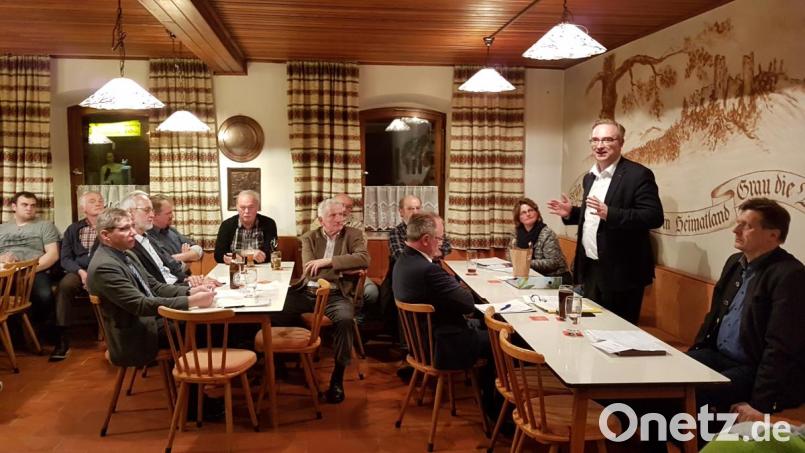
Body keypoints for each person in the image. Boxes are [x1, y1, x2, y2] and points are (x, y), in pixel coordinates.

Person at [688, 198, 804, 417]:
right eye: (738, 223)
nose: (735, 230)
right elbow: (713, 316)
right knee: (665, 379)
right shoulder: (735, 261)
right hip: (716, 354)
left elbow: (780, 347)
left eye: (747, 226)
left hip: (753, 368)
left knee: (690, 394)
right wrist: (694, 353)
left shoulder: (790, 275)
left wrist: (761, 404)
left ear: (773, 235)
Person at [547, 119, 663, 323]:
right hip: (592, 270)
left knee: (618, 336)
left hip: (622, 274)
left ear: (621, 143)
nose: (600, 145)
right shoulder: (589, 177)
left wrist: (612, 214)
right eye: (595, 140)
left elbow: (654, 217)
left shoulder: (638, 175)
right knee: (591, 329)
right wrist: (571, 213)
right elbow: (594, 215)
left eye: (608, 139)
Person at [392, 213, 495, 415]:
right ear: (426, 240)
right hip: (440, 345)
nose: (442, 243)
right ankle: (493, 407)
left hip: (420, 343)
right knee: (499, 341)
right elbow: (466, 304)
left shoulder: (403, 261)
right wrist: (459, 287)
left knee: (484, 325)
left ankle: (487, 395)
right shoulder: (428, 270)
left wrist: (454, 287)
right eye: (440, 238)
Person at [87, 208, 214, 370]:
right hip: (136, 335)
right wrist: (190, 301)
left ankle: (208, 382)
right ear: (105, 235)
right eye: (125, 228)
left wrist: (190, 291)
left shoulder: (126, 254)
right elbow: (140, 304)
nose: (133, 232)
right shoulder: (104, 266)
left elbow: (155, 287)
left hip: (150, 322)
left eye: (132, 226)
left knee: (210, 322)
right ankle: (196, 390)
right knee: (207, 326)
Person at [277, 198, 370, 404]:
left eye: (342, 215)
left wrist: (327, 261)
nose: (339, 219)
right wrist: (346, 268)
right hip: (307, 292)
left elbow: (364, 259)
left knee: (345, 321)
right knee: (276, 310)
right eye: (333, 215)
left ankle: (337, 379)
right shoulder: (309, 237)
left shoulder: (353, 235)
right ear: (321, 219)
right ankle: (278, 364)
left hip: (336, 294)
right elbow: (310, 270)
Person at [51, 191, 104, 361]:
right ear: (83, 208)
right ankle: (62, 339)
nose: (98, 203)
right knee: (64, 286)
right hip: (78, 271)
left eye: (100, 200)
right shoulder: (73, 229)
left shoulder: (110, 227)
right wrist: (81, 272)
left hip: (102, 270)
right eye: (92, 201)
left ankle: (115, 336)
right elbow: (65, 258)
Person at [0, 192, 60, 325]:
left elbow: (53, 254)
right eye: (25, 205)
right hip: (5, 271)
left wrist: (29, 270)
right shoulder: (2, 228)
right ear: (14, 207)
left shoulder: (45, 225)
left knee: (44, 296)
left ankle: (39, 331)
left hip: (35, 270)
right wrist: (2, 258)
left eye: (33, 205)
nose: (29, 208)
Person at [312, 193, 378, 311]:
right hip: (325, 275)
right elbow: (314, 260)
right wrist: (344, 268)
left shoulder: (357, 226)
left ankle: (357, 319)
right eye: (342, 205)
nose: (346, 210)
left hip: (352, 276)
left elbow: (359, 258)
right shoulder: (318, 223)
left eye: (349, 207)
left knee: (371, 292)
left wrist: (333, 264)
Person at [119, 192, 188, 285]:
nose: (152, 215)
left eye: (152, 210)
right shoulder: (125, 245)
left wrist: (189, 281)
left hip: (177, 286)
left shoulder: (148, 238)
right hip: (165, 294)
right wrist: (188, 288)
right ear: (129, 212)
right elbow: (153, 286)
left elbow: (172, 268)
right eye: (147, 210)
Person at [509, 197, 571, 282]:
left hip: (555, 278)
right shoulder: (515, 233)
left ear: (537, 213)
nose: (528, 214)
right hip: (530, 276)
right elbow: (510, 254)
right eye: (523, 212)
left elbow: (553, 262)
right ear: (518, 218)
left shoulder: (547, 233)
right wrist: (518, 262)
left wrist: (526, 262)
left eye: (530, 210)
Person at [214, 190, 277, 264]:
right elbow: (218, 255)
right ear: (237, 207)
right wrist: (247, 253)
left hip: (262, 270)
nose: (247, 211)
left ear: (257, 207)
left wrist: (238, 257)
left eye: (251, 207)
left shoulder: (269, 224)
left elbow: (271, 253)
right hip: (234, 270)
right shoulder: (226, 225)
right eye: (243, 207)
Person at [148, 194, 203, 267]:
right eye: (168, 213)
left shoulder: (171, 231)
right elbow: (163, 264)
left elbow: (198, 249)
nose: (172, 216)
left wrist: (183, 256)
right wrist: (187, 257)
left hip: (187, 277)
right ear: (154, 215)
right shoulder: (148, 238)